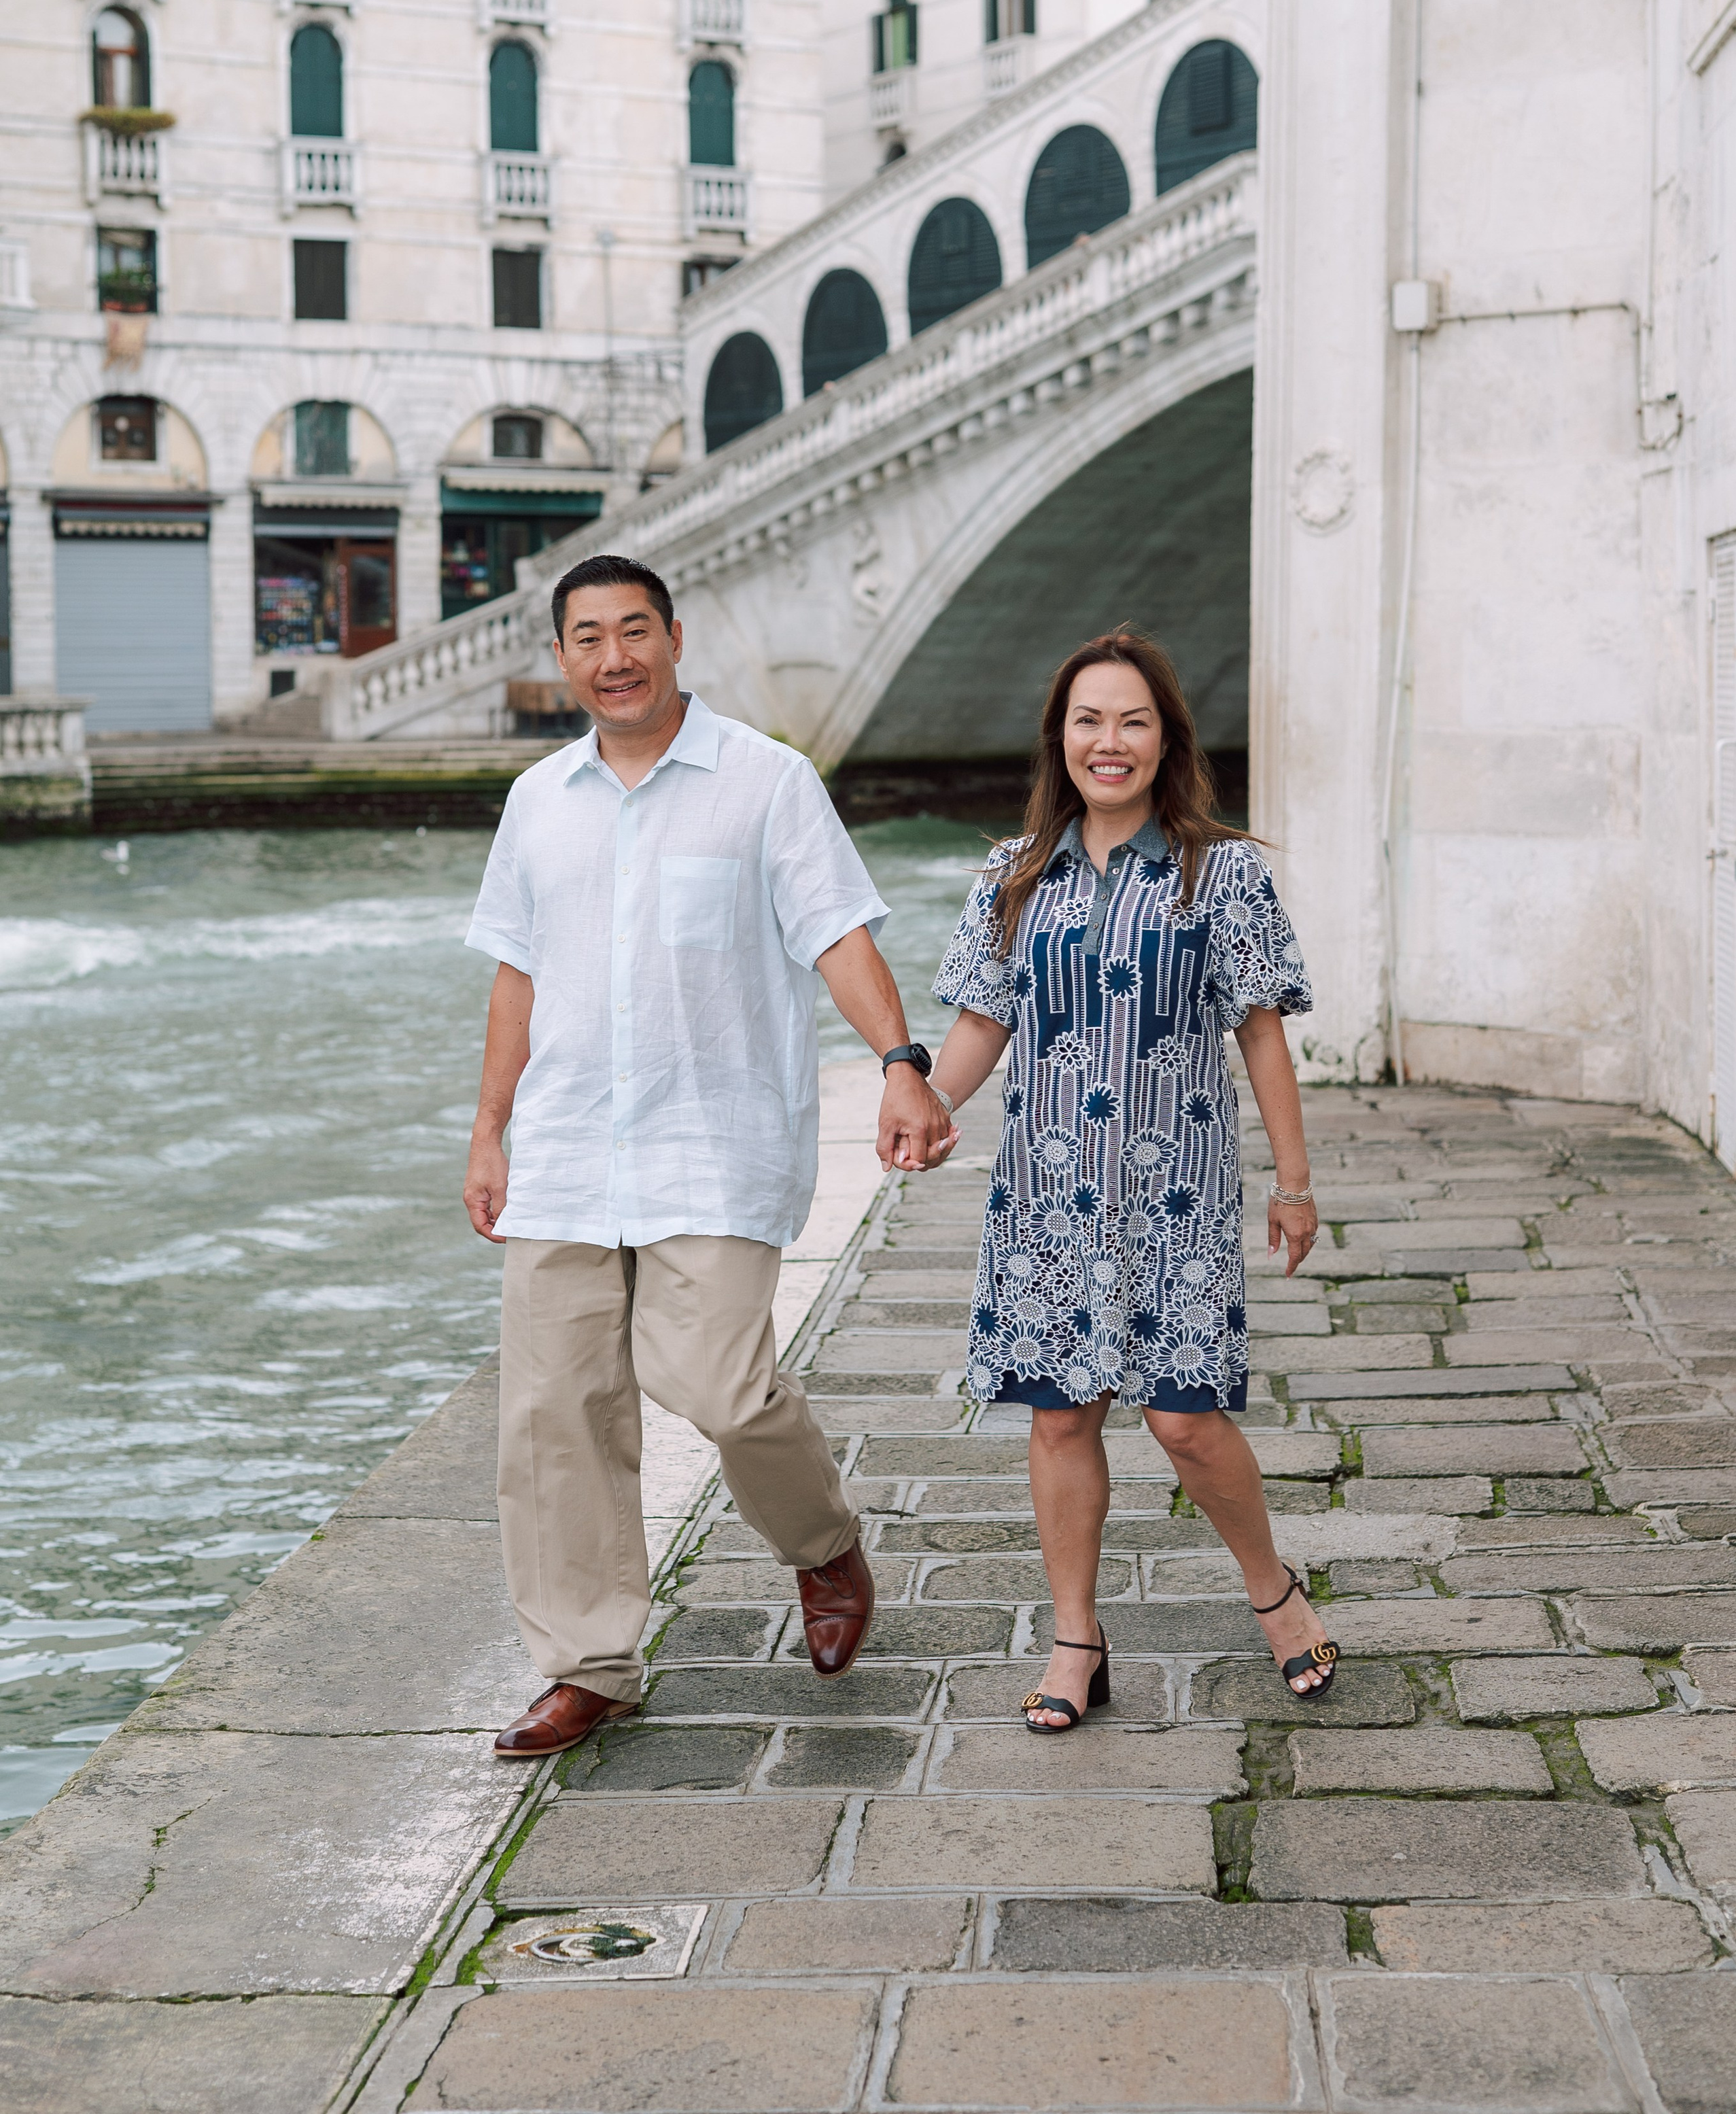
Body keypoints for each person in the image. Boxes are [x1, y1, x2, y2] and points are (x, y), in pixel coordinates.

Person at [463, 553, 955, 1756]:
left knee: (723, 1389)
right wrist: (488, 1131)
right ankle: (589, 1665)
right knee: (555, 1416)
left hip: (713, 1140)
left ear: (676, 638)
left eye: (635, 631)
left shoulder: (766, 781)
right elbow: (518, 976)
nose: (615, 658)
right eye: (589, 638)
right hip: (567, 1146)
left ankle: (822, 1546)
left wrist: (901, 1062)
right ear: (562, 658)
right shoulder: (538, 800)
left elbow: (838, 934)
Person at [924, 628, 1337, 1728]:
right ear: (1060, 739)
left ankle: (1274, 1593)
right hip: (1047, 1201)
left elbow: (1260, 1033)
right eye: (1089, 721)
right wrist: (925, 1101)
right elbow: (982, 1023)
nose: (1109, 742)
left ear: (1166, 740)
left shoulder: (1222, 871)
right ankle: (1076, 1640)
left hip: (1178, 1199)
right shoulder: (1012, 876)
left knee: (1185, 1421)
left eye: (1133, 721)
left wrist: (1294, 1183)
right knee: (1061, 1419)